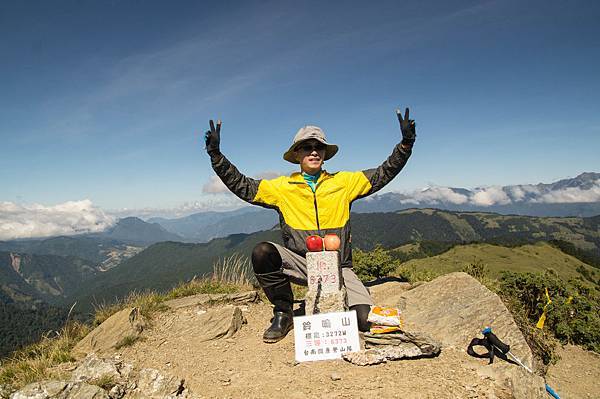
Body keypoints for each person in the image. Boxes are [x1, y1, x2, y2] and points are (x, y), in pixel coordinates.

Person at [204, 108, 416, 343]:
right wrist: (216, 156)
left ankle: (349, 307)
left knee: (364, 319)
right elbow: (243, 186)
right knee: (263, 252)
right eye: (307, 147)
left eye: (319, 147)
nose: (314, 151)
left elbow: (382, 174)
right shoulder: (282, 187)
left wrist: (405, 145)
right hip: (302, 263)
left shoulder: (344, 182)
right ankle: (283, 313)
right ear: (297, 154)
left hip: (339, 267)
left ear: (325, 153)